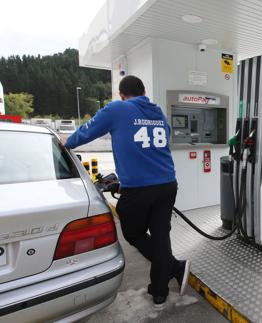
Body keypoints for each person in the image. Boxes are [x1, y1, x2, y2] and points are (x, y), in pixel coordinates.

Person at [65, 75, 189, 310]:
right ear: (143, 92)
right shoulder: (158, 113)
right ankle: (160, 290)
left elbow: (85, 132)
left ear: (121, 95)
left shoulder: (117, 109)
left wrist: (65, 142)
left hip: (141, 189)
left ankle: (173, 268)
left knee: (132, 233)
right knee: (161, 236)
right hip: (167, 184)